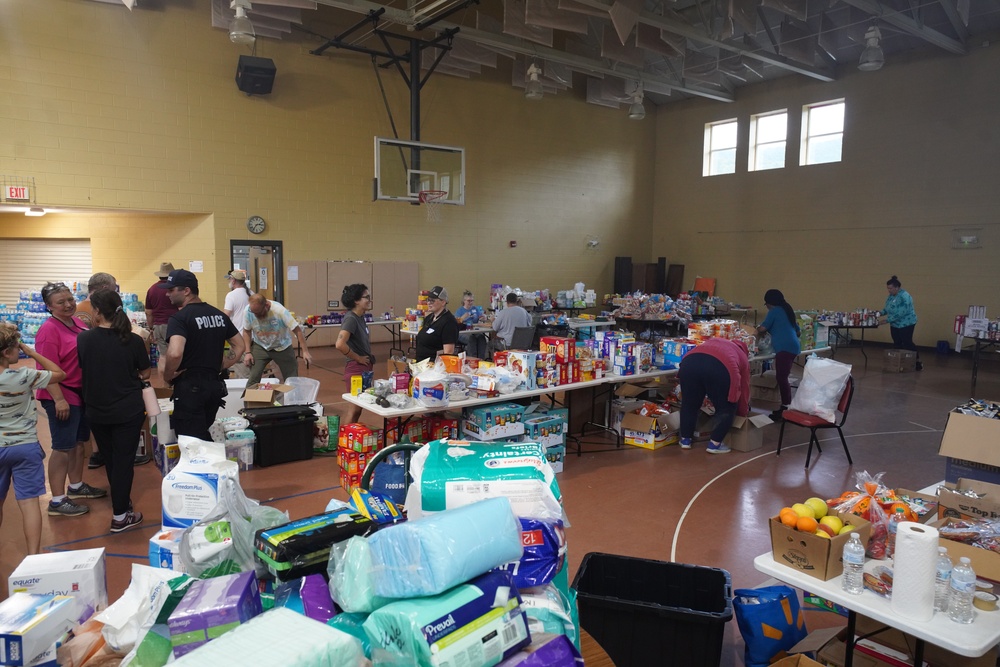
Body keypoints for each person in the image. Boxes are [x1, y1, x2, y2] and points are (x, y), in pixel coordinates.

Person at [77, 290, 149, 533]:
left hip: (97, 410)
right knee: (124, 460)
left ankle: (121, 503)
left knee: (110, 458)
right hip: (127, 410)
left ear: (96, 311)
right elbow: (146, 373)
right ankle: (120, 515)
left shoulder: (84, 339)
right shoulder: (134, 340)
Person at [36, 282, 107, 517]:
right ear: (49, 306)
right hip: (61, 394)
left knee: (78, 443)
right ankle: (56, 500)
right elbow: (46, 372)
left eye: (69, 299)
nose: (68, 305)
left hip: (80, 392)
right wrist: (59, 400)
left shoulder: (76, 322)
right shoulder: (48, 331)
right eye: (60, 302)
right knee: (63, 447)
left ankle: (75, 486)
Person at [0, 323, 66, 554]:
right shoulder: (24, 375)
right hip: (25, 447)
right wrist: (32, 352)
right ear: (8, 352)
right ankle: (33, 556)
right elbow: (60, 374)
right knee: (29, 504)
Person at [160, 269, 245, 441]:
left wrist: (168, 375)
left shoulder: (179, 319)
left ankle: (210, 466)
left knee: (191, 440)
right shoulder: (219, 315)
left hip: (190, 387)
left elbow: (175, 353)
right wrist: (223, 364)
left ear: (186, 291)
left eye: (171, 289)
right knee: (202, 431)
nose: (167, 293)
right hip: (214, 385)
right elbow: (240, 345)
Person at [677, 337, 751, 455]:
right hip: (721, 367)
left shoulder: (715, 341)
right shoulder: (742, 355)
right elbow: (743, 389)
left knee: (689, 404)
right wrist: (742, 412)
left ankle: (685, 440)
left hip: (689, 362)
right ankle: (715, 443)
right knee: (726, 407)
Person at [242, 294, 312, 385]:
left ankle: (292, 398)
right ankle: (249, 399)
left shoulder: (280, 311)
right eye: (254, 313)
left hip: (282, 346)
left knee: (291, 379)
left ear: (266, 305)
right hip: (261, 345)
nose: (256, 315)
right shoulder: (248, 311)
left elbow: (297, 330)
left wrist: (305, 351)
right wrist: (248, 352)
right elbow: (246, 331)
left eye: (258, 313)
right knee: (253, 378)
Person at [757, 289, 801, 421]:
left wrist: (757, 328)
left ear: (770, 303)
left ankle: (786, 408)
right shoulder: (788, 310)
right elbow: (798, 332)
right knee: (783, 376)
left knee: (782, 378)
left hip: (784, 349)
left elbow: (762, 329)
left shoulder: (774, 311)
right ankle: (785, 406)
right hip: (793, 346)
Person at [336, 284, 375, 424]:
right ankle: (345, 440)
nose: (369, 300)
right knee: (354, 409)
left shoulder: (360, 317)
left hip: (364, 368)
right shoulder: (351, 319)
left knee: (358, 409)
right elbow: (339, 344)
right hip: (355, 369)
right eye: (366, 297)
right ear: (356, 301)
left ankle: (349, 437)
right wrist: (357, 358)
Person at [881, 275, 922, 371]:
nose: (889, 290)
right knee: (897, 343)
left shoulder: (905, 296)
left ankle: (917, 362)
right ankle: (899, 363)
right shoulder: (891, 296)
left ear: (897, 287)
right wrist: (879, 313)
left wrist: (886, 320)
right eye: (888, 288)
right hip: (895, 324)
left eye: (891, 288)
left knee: (907, 342)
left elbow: (901, 313)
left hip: (906, 323)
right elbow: (888, 308)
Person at [145, 262, 179, 375]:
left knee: (163, 356)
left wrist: (151, 328)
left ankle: (163, 383)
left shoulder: (152, 289)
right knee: (175, 355)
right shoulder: (174, 289)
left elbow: (148, 312)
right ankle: (173, 383)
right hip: (172, 326)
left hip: (157, 325)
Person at [414, 286, 459, 363]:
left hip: (434, 367)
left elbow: (448, 352)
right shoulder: (429, 318)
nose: (428, 303)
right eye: (428, 300)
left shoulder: (449, 322)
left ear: (443, 302)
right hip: (421, 364)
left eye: (432, 301)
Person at [223, 270, 252, 379]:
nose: (229, 281)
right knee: (249, 369)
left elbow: (225, 316)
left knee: (241, 370)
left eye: (230, 279)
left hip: (238, 337)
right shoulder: (251, 293)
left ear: (234, 281)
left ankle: (245, 394)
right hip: (251, 337)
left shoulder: (231, 295)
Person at [456, 290, 487, 359]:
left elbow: (481, 318)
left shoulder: (475, 309)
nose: (471, 303)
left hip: (474, 331)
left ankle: (481, 359)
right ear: (464, 301)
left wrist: (483, 318)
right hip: (463, 332)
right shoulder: (459, 311)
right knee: (472, 339)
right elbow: (455, 324)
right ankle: (473, 359)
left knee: (481, 338)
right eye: (468, 301)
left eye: (472, 301)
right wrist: (462, 318)